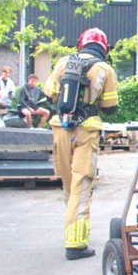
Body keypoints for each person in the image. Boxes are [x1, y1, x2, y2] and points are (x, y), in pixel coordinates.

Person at [43, 28, 119, 260]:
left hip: (60, 128)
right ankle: (76, 244)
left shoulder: (63, 63)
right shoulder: (104, 69)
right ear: (104, 48)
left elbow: (49, 95)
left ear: (80, 44)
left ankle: (72, 228)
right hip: (86, 131)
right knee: (82, 184)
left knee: (69, 184)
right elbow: (110, 107)